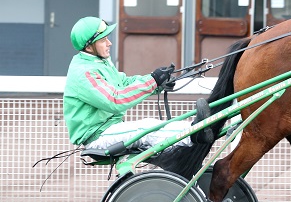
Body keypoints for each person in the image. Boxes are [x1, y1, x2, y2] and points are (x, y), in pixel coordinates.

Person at [63, 16, 214, 152]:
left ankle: (197, 130)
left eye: (107, 38)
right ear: (89, 47)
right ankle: (195, 132)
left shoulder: (99, 62)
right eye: (103, 40)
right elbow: (115, 100)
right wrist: (152, 82)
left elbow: (125, 83)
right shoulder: (84, 72)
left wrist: (157, 83)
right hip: (97, 136)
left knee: (152, 129)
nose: (109, 43)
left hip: (109, 128)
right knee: (146, 128)